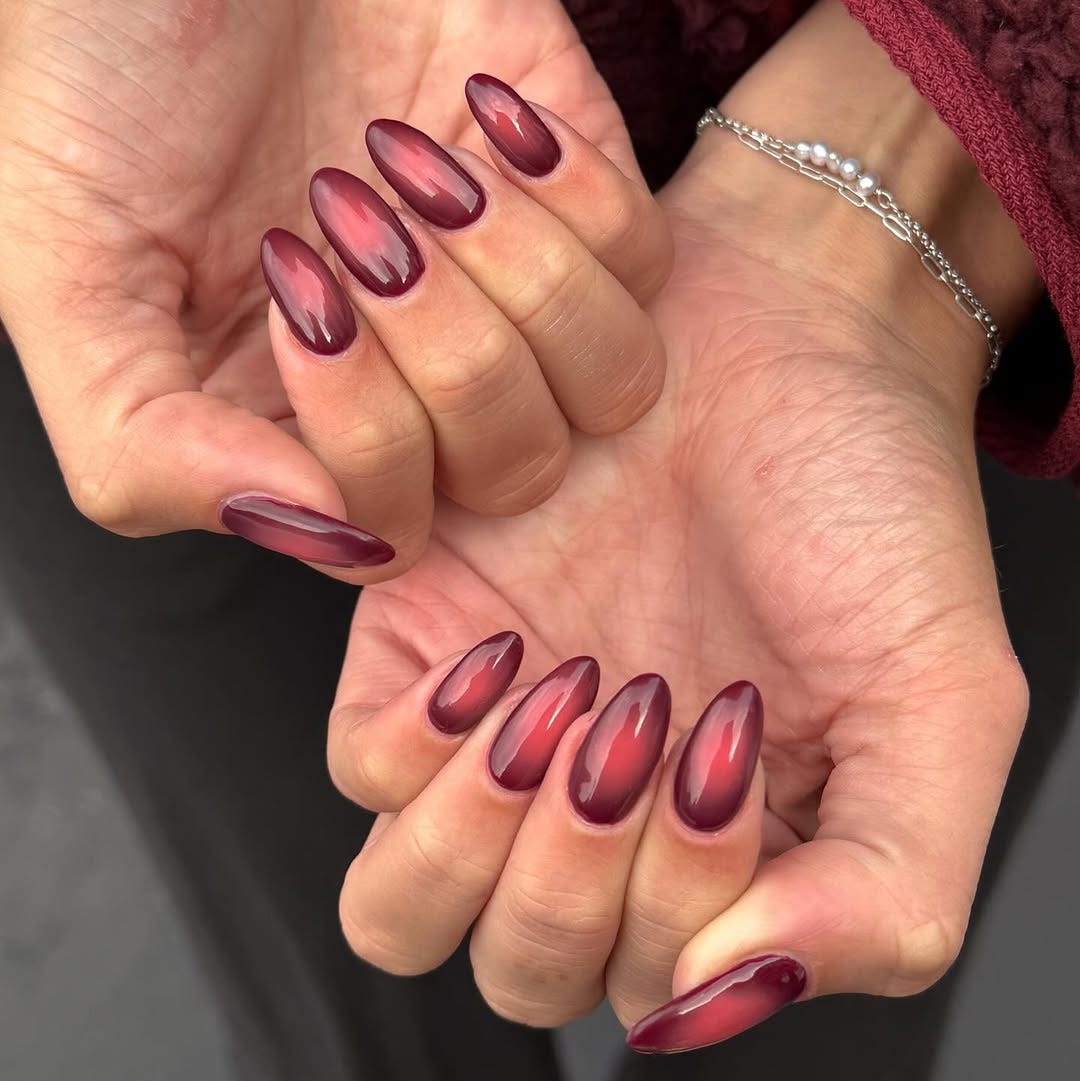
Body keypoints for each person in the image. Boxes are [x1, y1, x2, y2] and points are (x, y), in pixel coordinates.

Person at [0, 1, 1075, 1079]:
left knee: (781, 981)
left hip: (982, 287)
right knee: (347, 1027)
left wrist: (936, 153)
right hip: (172, 221)